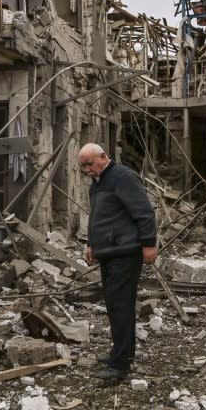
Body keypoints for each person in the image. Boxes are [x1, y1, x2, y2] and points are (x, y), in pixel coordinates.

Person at [78, 143, 157, 379]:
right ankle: (121, 354)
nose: (86, 170)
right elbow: (99, 218)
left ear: (103, 157)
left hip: (125, 253)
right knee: (115, 306)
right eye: (82, 166)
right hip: (109, 252)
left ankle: (120, 365)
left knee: (120, 306)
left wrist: (149, 244)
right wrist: (92, 244)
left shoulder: (123, 177)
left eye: (89, 164)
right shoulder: (99, 183)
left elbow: (144, 212)